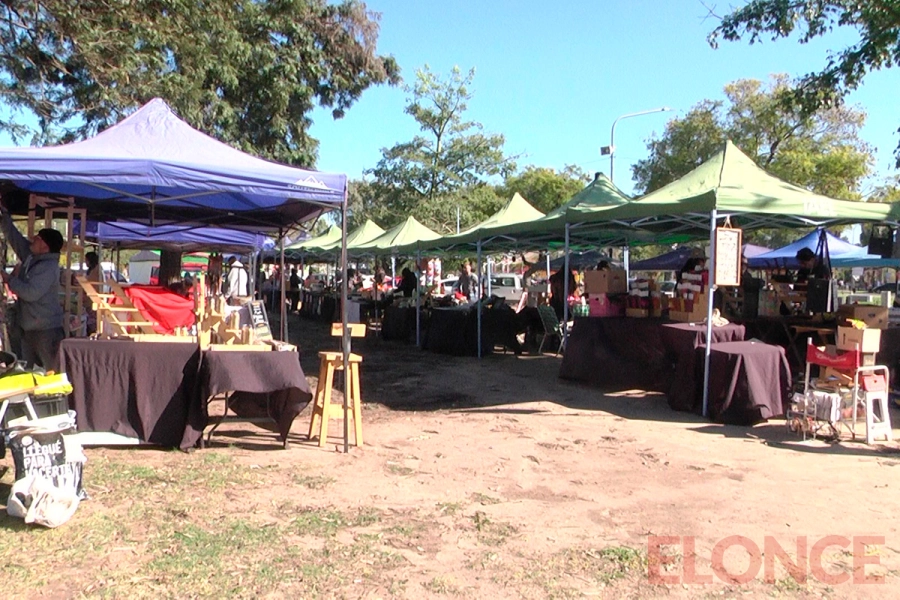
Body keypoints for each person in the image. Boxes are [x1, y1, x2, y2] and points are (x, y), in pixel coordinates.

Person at [0, 206, 65, 372]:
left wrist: (10, 280)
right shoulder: (32, 257)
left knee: (51, 372)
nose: (32, 240)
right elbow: (16, 239)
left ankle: (54, 398)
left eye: (37, 239)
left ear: (44, 246)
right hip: (29, 329)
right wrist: (5, 217)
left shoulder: (49, 267)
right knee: (28, 372)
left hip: (46, 330)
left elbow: (31, 293)